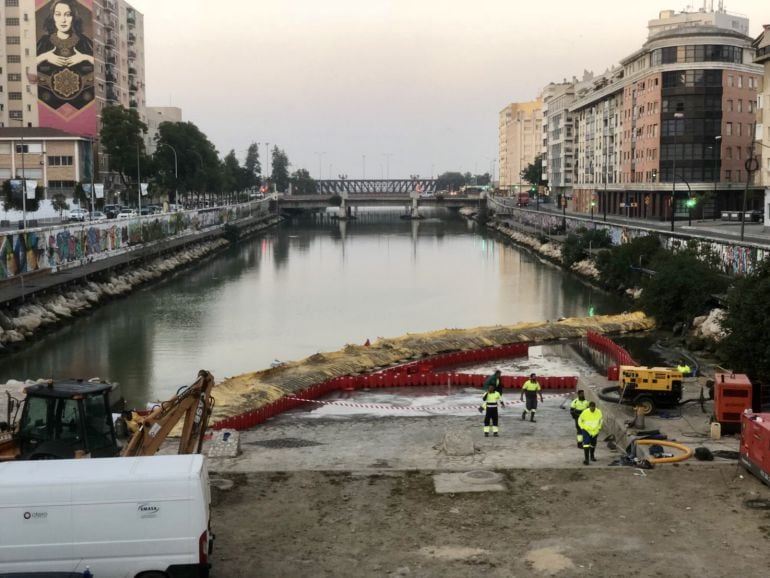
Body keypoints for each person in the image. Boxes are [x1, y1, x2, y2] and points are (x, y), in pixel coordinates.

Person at [36, 1, 95, 112]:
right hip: (49, 102)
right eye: (58, 14)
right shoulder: (44, 42)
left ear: (73, 17)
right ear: (53, 17)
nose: (63, 20)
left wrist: (84, 57)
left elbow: (101, 66)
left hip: (81, 102)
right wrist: (46, 56)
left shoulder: (84, 41)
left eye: (68, 14)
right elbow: (28, 63)